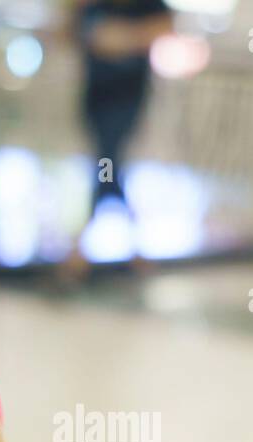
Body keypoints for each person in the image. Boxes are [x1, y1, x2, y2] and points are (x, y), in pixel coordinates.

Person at [61, 0, 174, 282]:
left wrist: (118, 37)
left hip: (128, 103)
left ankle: (80, 253)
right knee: (109, 168)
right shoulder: (93, 6)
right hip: (95, 100)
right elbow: (73, 33)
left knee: (107, 165)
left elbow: (161, 30)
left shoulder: (148, 5)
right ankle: (133, 251)